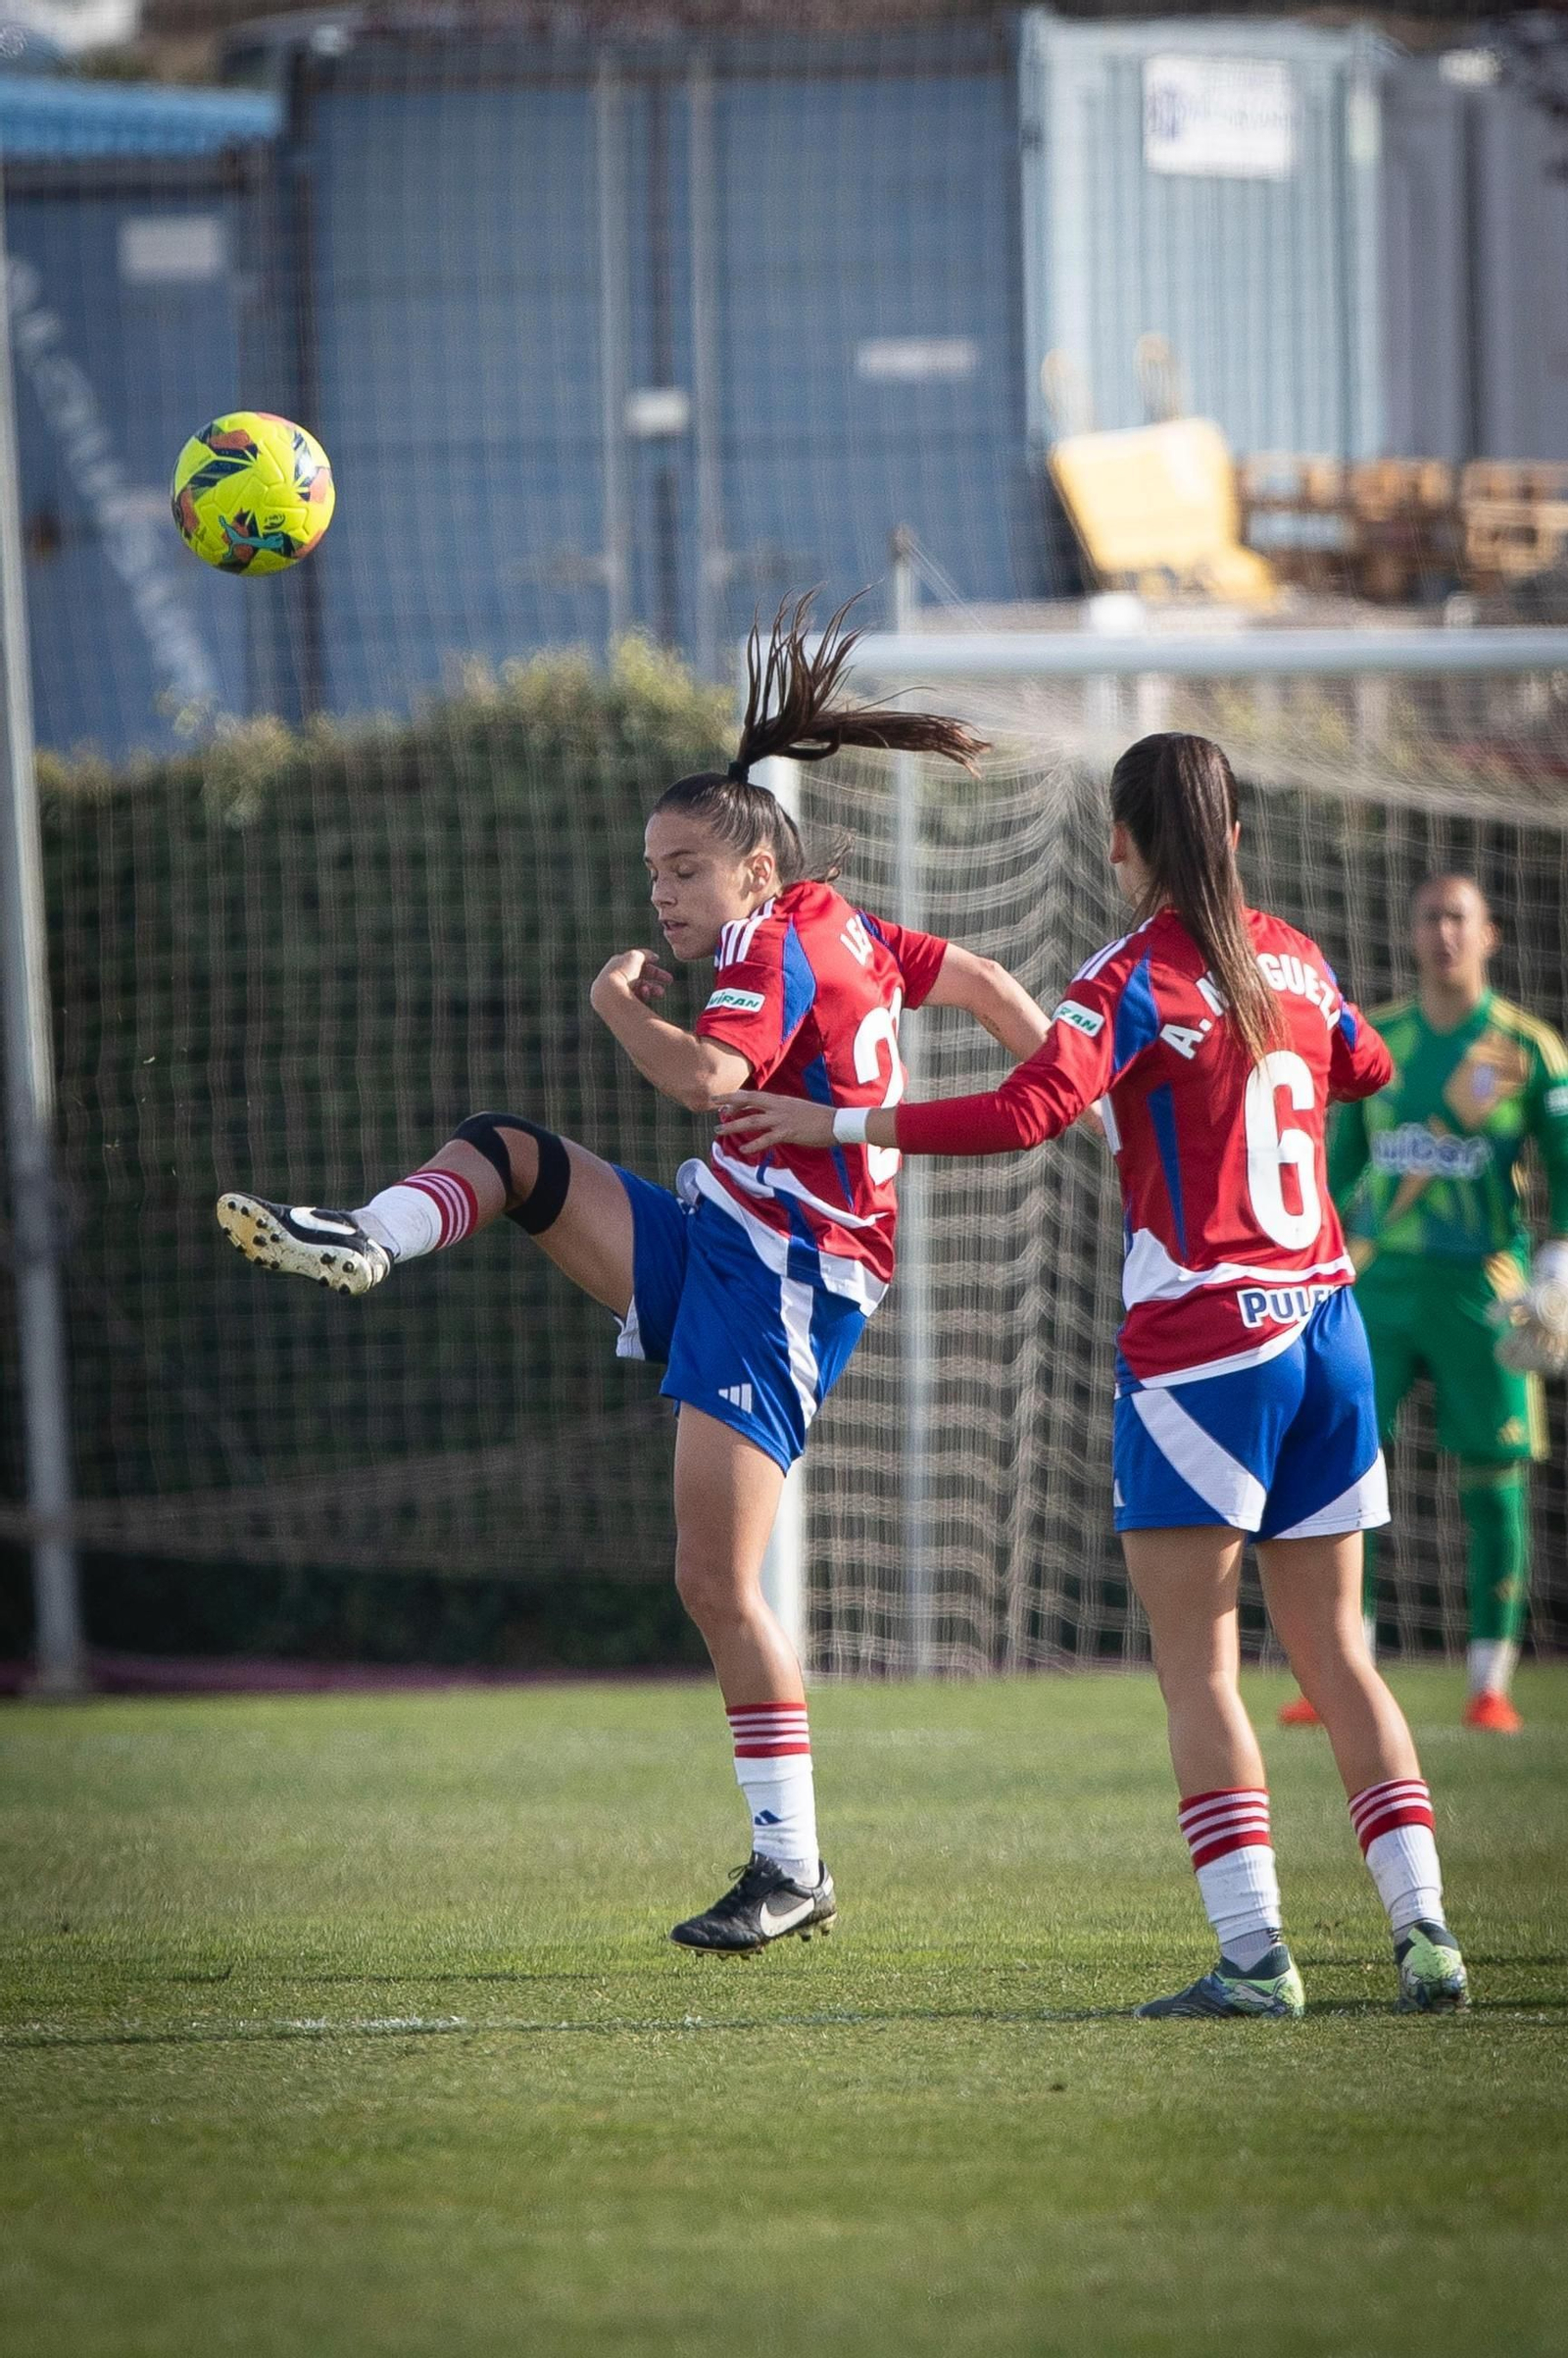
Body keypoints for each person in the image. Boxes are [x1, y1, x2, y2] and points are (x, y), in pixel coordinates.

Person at [215, 596, 1053, 1954]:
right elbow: (987, 978)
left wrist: (614, 1003)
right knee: (510, 1153)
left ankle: (792, 1865)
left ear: (756, 873)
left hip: (783, 1280)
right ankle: (373, 1235)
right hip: (727, 1237)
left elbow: (706, 1077)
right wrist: (1067, 1078)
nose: (661, 894)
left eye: (683, 870)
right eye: (653, 871)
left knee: (715, 1580)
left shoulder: (766, 950)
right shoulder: (840, 924)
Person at [721, 731, 1469, 2018]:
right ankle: (1427, 1936)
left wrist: (835, 1118)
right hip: (1327, 1331)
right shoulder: (1296, 956)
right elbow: (1369, 1064)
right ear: (1233, 837)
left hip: (1207, 1351)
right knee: (1341, 1656)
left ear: (1121, 841)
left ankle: (1256, 1958)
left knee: (1202, 1671)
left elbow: (1026, 1113)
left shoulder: (1129, 975)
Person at [1278, 874, 1568, 1736]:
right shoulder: (1379, 1040)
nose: (1444, 933)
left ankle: (1489, 1683)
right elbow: (1337, 1167)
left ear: (1491, 934)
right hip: (1378, 1283)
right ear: (1410, 934)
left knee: (1495, 1480)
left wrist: (1558, 1265)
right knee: (1343, 1471)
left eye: (1459, 919)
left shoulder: (1527, 1049)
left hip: (1485, 1288)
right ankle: (1342, 1672)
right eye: (1430, 918)